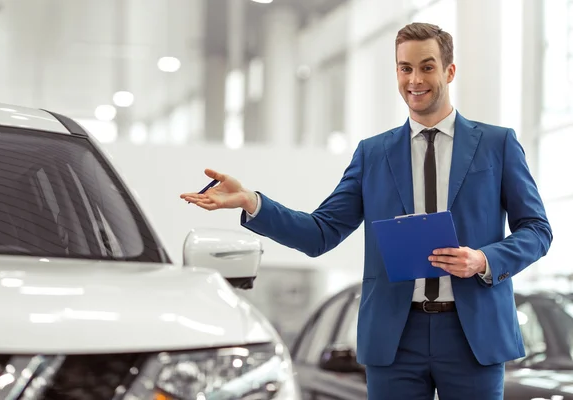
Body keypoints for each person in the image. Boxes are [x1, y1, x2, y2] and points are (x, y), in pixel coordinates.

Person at [181, 22, 552, 400]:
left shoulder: (496, 144)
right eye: (405, 68)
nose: (414, 79)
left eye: (426, 67)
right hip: (395, 336)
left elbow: (537, 229)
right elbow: (320, 233)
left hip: (474, 335)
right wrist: (252, 202)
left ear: (449, 71)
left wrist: (484, 259)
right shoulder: (373, 154)